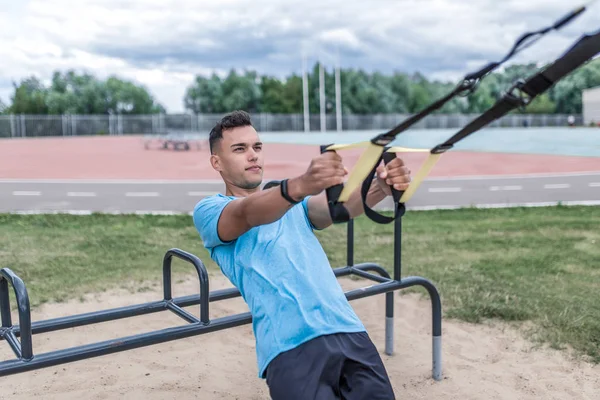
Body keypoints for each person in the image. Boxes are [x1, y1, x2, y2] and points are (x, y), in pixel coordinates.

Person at [192, 110, 412, 399]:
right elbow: (246, 212)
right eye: (240, 149)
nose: (253, 155)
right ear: (216, 162)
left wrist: (380, 187)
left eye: (257, 147)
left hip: (348, 330)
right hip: (290, 347)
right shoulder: (210, 209)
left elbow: (337, 208)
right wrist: (300, 184)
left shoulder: (291, 203)